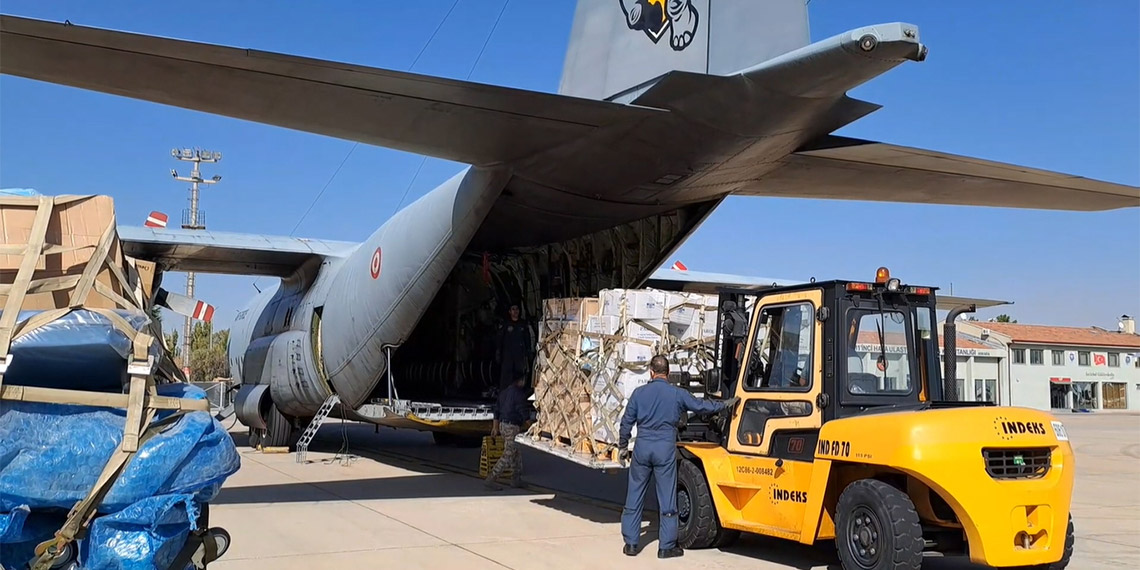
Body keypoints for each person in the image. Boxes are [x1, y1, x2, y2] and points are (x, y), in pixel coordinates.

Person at [617, 355, 739, 558]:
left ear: (651, 372)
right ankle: (666, 547)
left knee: (635, 494)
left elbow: (626, 422)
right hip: (665, 448)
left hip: (643, 447)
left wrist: (622, 445)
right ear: (668, 373)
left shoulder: (639, 394)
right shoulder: (677, 394)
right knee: (667, 496)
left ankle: (631, 544)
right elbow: (701, 406)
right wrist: (724, 405)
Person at [484, 374, 529, 490]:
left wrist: (495, 427)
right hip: (512, 427)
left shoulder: (503, 393)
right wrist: (531, 426)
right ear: (521, 381)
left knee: (516, 453)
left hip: (503, 426)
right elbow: (523, 412)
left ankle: (516, 479)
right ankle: (491, 478)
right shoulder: (519, 394)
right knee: (508, 454)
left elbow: (496, 411)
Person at [495, 303, 532, 390]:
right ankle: (504, 395)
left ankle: (518, 395)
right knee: (506, 378)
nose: (515, 311)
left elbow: (527, 339)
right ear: (509, 311)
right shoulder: (505, 324)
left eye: (517, 309)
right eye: (513, 309)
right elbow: (499, 339)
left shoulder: (523, 324)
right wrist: (498, 352)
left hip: (520, 356)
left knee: (519, 379)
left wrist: (528, 352)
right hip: (508, 356)